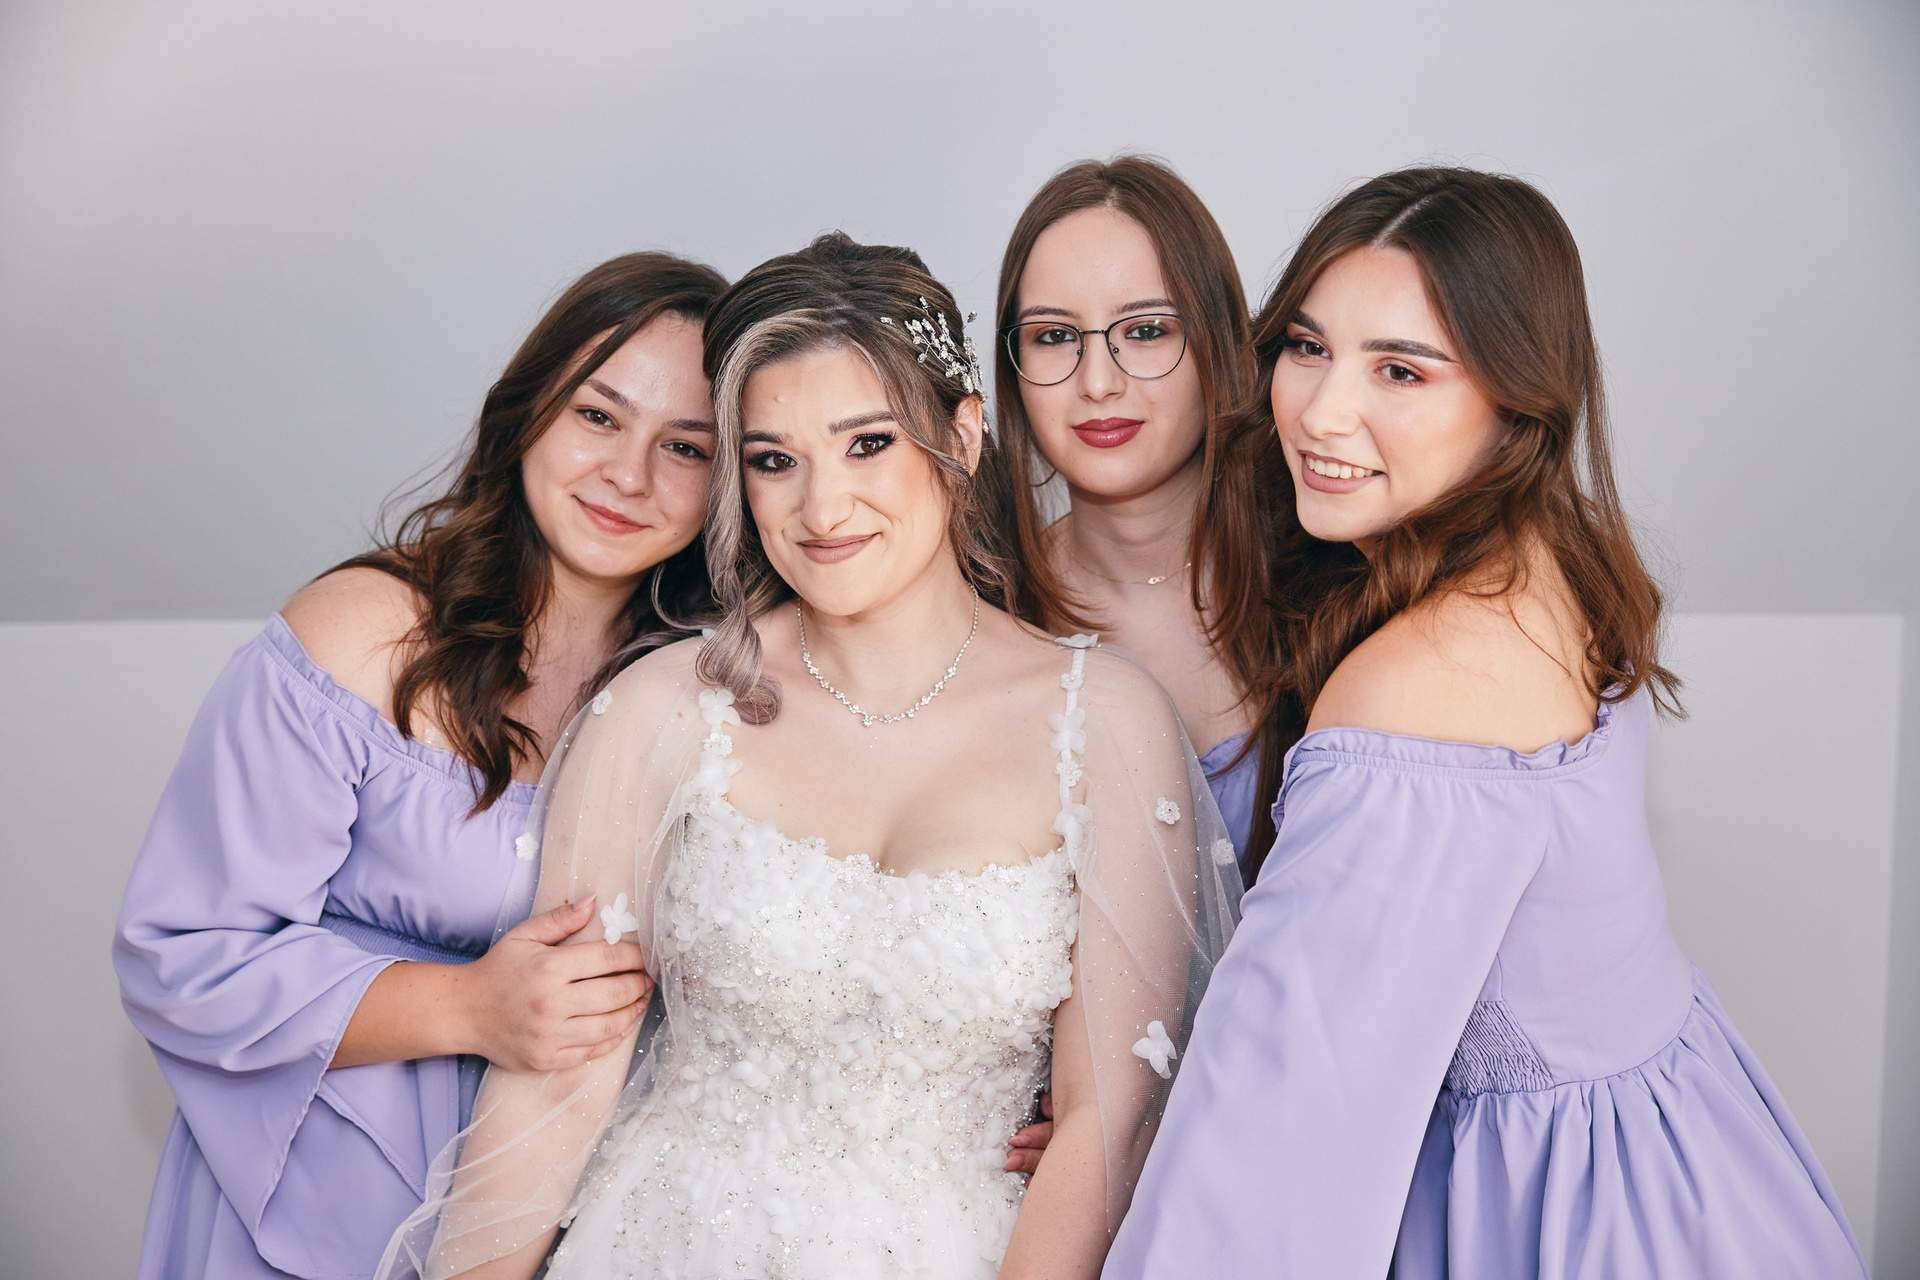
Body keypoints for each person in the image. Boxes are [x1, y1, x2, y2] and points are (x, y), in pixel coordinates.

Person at [380, 233, 1241, 1280]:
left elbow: (1110, 1119)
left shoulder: (1105, 720)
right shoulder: (658, 710)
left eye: (868, 443)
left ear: (962, 435)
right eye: (773, 460)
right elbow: (558, 1082)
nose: (822, 509)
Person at [1104, 168, 1867, 1278]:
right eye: (1307, 346)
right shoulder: (1554, 551)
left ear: (1517, 398)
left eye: (1400, 369)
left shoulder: (1413, 699)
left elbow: (1266, 1149)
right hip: (1684, 1160)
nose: (1320, 412)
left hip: (1570, 1215)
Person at [113, 251, 728, 1280]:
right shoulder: (358, 635)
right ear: (526, 413)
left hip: (567, 1211)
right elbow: (184, 954)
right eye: (598, 415)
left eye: (685, 446)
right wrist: (471, 1006)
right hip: (311, 1197)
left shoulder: (706, 692)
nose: (630, 474)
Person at [989, 157, 1288, 885]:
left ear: (1219, 343)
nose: (1098, 382)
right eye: (1054, 336)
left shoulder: (1326, 579)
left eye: (1147, 329)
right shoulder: (983, 609)